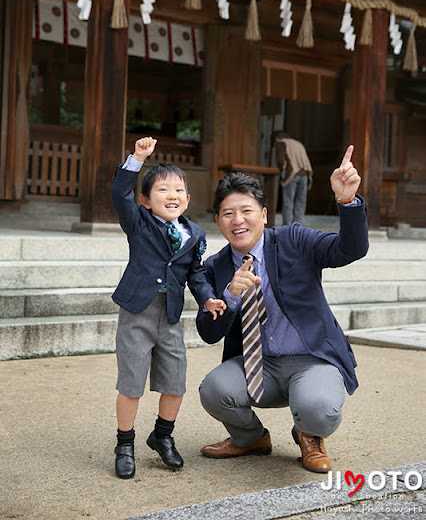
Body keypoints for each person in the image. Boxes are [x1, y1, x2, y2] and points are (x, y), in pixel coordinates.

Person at [196, 145, 368, 473]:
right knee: (214, 389)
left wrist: (346, 201)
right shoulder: (214, 267)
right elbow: (207, 330)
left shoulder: (294, 240)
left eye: (246, 211)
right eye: (228, 213)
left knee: (318, 407)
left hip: (313, 359)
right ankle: (250, 438)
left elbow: (351, 249)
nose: (238, 220)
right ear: (217, 220)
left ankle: (309, 435)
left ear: (263, 214)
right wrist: (230, 295)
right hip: (259, 364)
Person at [111, 137, 225, 479]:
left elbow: (195, 273)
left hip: (171, 317)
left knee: (175, 383)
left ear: (188, 199)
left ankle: (162, 436)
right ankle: (124, 444)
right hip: (137, 313)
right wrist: (137, 159)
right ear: (146, 201)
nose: (172, 195)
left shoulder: (194, 234)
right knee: (131, 384)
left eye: (179, 190)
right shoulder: (138, 222)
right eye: (163, 189)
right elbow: (120, 194)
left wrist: (207, 297)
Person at [272, 131, 313, 225]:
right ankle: (297, 226)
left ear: (277, 138)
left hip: (291, 174)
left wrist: (282, 171)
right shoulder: (298, 143)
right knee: (301, 202)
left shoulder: (281, 143)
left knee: (288, 202)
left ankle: (287, 226)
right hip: (304, 174)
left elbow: (280, 160)